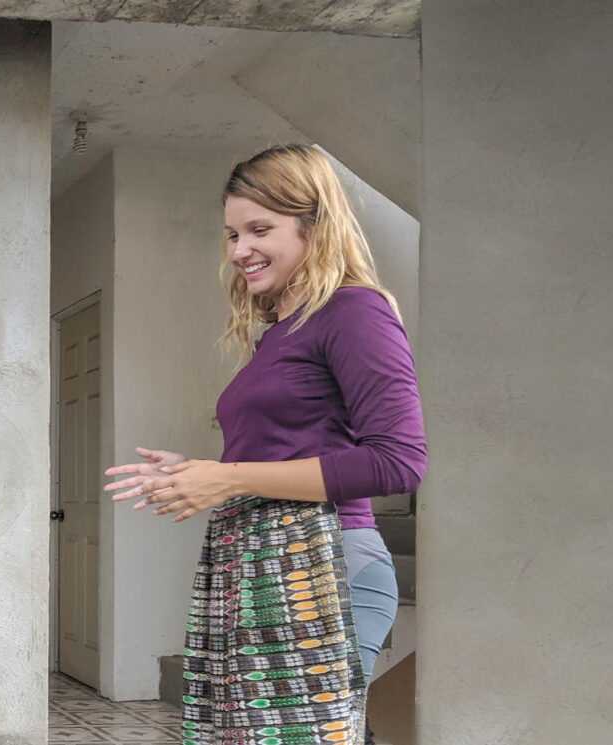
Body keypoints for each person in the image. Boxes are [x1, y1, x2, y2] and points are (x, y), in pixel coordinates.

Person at [104, 145, 424, 745]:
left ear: (314, 224)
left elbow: (399, 460)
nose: (239, 250)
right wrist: (202, 470)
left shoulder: (355, 312)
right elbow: (284, 449)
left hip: (327, 566)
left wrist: (229, 478)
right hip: (257, 564)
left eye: (259, 229)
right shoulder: (282, 331)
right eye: (231, 233)